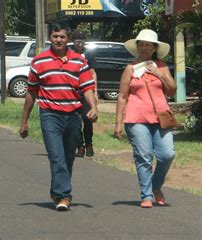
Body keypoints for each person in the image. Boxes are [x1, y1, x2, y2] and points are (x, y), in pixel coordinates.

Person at [19, 22, 98, 211]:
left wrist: (94, 107)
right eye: (55, 37)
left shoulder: (79, 61)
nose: (58, 40)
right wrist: (24, 121)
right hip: (49, 115)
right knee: (56, 156)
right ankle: (64, 196)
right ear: (50, 38)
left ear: (67, 39)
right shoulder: (39, 61)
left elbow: (87, 87)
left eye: (62, 37)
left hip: (73, 114)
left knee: (69, 156)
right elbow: (31, 92)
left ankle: (57, 192)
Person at [114, 29, 176, 208]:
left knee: (167, 154)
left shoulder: (162, 66)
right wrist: (118, 123)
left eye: (148, 45)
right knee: (144, 156)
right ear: (137, 47)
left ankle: (156, 186)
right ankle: (146, 195)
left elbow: (172, 90)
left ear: (154, 48)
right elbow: (122, 97)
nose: (144, 48)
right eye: (141, 44)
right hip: (137, 118)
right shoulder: (130, 68)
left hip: (161, 117)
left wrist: (159, 74)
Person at [71, 30, 98, 158]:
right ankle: (79, 146)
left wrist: (95, 91)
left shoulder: (88, 54)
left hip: (87, 91)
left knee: (88, 119)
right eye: (77, 41)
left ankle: (89, 144)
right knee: (75, 121)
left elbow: (93, 72)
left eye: (81, 41)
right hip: (73, 92)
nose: (79, 44)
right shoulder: (69, 53)